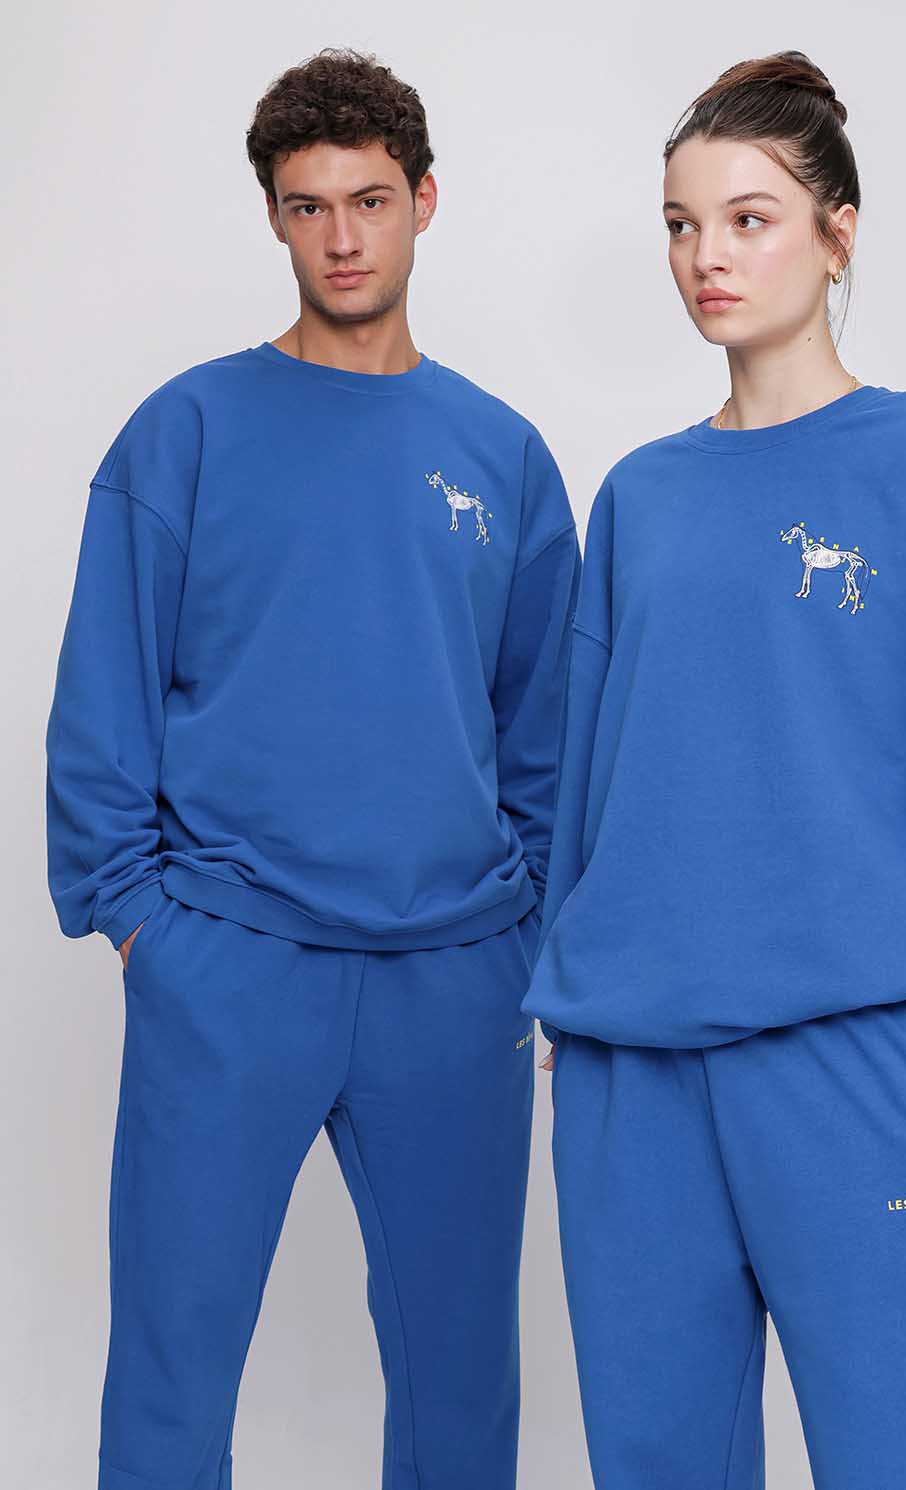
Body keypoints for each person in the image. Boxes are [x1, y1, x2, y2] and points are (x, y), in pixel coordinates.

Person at [520, 50, 906, 1490]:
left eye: (749, 218)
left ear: (839, 233)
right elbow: (590, 773)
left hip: (863, 1069)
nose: (705, 256)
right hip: (635, 1081)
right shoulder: (639, 495)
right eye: (680, 224)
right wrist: (568, 991)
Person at [44, 47, 579, 1490]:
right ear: (274, 218)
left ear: (424, 202)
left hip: (453, 976)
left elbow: (546, 733)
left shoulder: (504, 457)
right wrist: (144, 925)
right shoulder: (186, 432)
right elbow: (103, 698)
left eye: (370, 200)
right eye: (308, 206)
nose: (342, 238)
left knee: (462, 1389)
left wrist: (525, 934)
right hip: (229, 962)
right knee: (171, 1377)